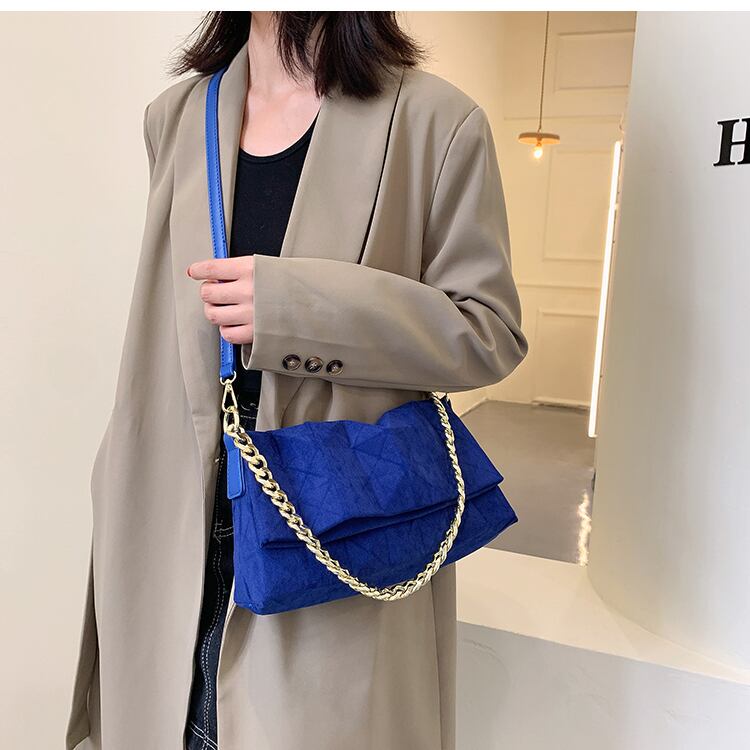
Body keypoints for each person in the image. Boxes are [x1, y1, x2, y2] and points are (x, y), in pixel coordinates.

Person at [66, 11, 528, 750]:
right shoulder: (176, 118)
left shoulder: (436, 124)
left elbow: (488, 332)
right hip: (169, 522)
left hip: (328, 526)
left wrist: (301, 308)